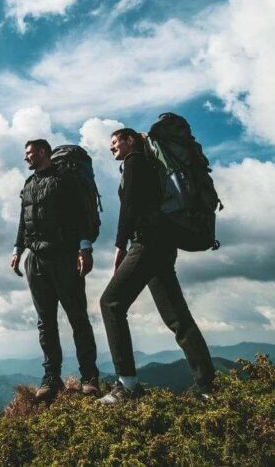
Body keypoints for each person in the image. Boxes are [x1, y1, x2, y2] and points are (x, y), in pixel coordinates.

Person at [98, 128, 216, 405]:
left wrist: (119, 245)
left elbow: (130, 205)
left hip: (147, 243)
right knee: (178, 318)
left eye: (115, 142)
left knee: (111, 303)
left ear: (130, 141)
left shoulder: (135, 162)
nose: (111, 147)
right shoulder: (151, 165)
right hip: (164, 244)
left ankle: (127, 385)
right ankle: (208, 386)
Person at [10, 139, 100, 402]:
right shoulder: (28, 185)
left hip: (64, 255)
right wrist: (17, 250)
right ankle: (51, 378)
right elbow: (23, 220)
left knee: (77, 317)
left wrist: (85, 248)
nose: (26, 158)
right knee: (45, 322)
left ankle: (89, 377)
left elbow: (81, 214)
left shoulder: (65, 180)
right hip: (35, 259)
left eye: (29, 153)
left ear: (42, 152)